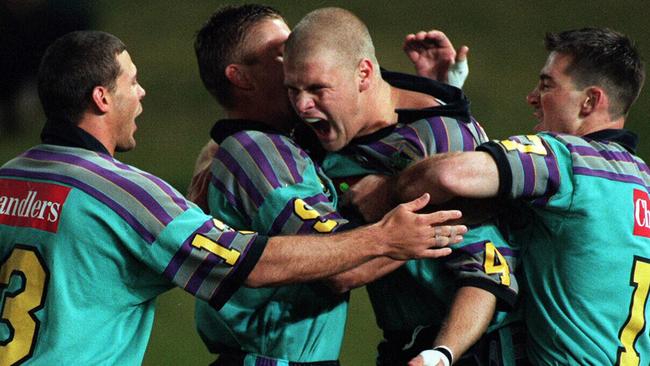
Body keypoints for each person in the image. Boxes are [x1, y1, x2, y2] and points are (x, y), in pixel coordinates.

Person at [0, 30, 467, 364]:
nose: (142, 94)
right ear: (102, 98)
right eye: (132, 82)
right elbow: (251, 264)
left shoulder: (8, 180)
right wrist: (383, 238)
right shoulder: (127, 196)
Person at [189, 4, 468, 365]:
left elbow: (359, 103)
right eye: (280, 52)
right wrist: (409, 229)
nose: (298, 53)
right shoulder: (263, 154)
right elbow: (339, 266)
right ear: (240, 77)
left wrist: (437, 94)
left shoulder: (274, 144)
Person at [393, 27, 649, 365]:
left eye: (546, 86)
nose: (532, 97)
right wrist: (445, 96)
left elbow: (449, 175)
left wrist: (383, 190)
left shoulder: (568, 160)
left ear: (589, 101)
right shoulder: (640, 179)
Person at [283, 8, 522, 366]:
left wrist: (441, 354)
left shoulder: (442, 140)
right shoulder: (324, 135)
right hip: (401, 346)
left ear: (363, 73)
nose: (302, 105)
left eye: (317, 89)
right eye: (293, 90)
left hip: (470, 348)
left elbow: (490, 269)